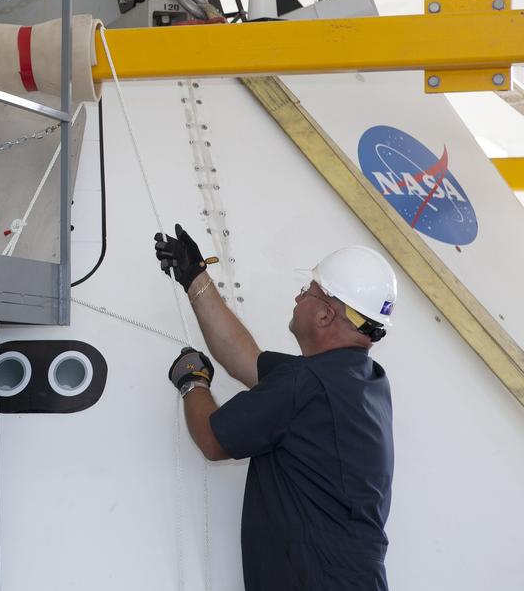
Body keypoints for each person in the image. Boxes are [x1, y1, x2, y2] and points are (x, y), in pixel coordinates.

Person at [155, 225, 394, 591]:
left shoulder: (306, 384)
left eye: (306, 293)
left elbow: (212, 439)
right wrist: (195, 278)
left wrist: (193, 382)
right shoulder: (362, 379)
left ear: (326, 315)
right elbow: (246, 361)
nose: (298, 300)